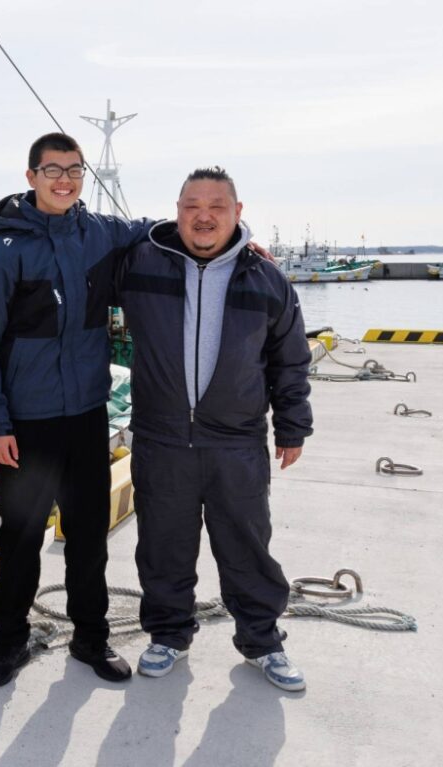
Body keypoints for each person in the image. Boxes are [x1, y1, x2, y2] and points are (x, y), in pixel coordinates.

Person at [0, 132, 152, 687]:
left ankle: (91, 639)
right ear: (31, 178)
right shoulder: (4, 253)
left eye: (74, 170)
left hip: (88, 416)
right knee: (20, 538)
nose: (64, 180)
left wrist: (243, 239)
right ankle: (8, 642)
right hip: (27, 425)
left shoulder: (98, 234)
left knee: (89, 536)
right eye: (52, 171)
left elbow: (153, 231)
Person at [115, 166, 313, 691]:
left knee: (247, 546)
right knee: (163, 544)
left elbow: (289, 360)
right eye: (191, 205)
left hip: (237, 440)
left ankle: (262, 642)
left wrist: (292, 428)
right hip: (161, 439)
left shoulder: (267, 278)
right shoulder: (138, 264)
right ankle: (168, 635)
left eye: (216, 206)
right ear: (175, 211)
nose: (204, 216)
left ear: (237, 213)